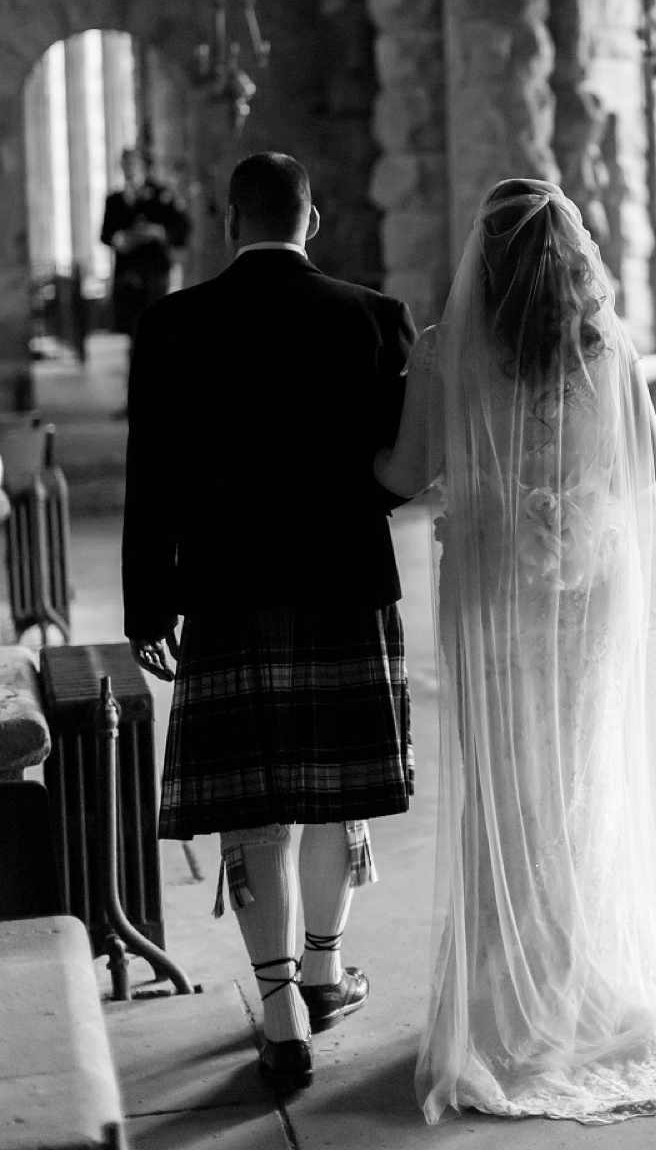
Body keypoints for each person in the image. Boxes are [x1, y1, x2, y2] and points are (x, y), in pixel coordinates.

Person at [376, 177, 656, 1124]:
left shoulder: (444, 354)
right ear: (570, 253)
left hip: (497, 593)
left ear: (482, 262)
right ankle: (581, 987)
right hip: (588, 594)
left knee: (506, 788)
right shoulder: (604, 347)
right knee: (578, 789)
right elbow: (649, 463)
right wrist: (569, 495)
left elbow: (405, 475)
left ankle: (511, 1005)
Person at [122, 152, 417, 1095]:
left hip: (226, 591)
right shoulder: (374, 319)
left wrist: (146, 603)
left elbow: (150, 478)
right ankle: (328, 970)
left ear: (225, 220)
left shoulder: (171, 327)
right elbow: (393, 467)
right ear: (314, 219)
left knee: (257, 802)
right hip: (341, 586)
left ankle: (283, 1007)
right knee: (335, 792)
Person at [101, 148, 190, 389]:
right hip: (128, 275)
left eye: (134, 163)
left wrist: (157, 232)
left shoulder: (161, 195)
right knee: (133, 334)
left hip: (155, 273)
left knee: (155, 331)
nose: (130, 169)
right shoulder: (115, 199)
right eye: (125, 164)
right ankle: (136, 392)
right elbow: (106, 234)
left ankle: (160, 387)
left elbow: (180, 229)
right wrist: (121, 239)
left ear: (143, 165)